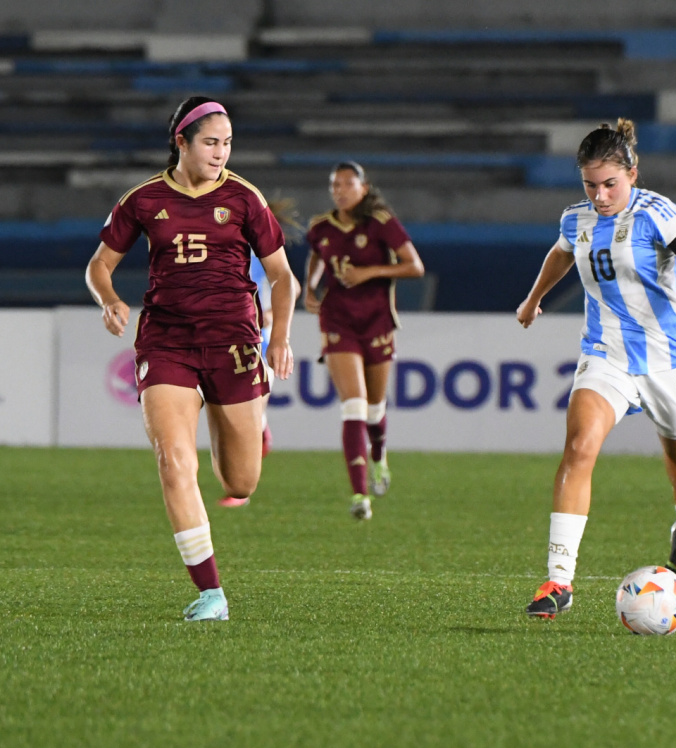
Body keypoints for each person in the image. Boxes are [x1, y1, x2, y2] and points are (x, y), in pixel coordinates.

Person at [516, 118, 676, 619]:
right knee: (579, 447)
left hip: (671, 361)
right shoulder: (575, 219)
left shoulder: (657, 214)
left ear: (632, 175)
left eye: (609, 184)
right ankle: (558, 581)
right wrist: (534, 298)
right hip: (607, 355)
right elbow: (561, 254)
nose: (599, 196)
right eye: (590, 185)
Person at [85, 96, 300, 621]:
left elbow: (282, 277)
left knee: (240, 482)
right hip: (167, 342)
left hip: (234, 344)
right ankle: (211, 593)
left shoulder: (245, 198)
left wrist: (279, 338)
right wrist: (109, 299)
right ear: (181, 142)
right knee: (174, 461)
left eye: (227, 143)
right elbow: (99, 265)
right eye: (210, 142)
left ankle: (238, 424)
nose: (220, 152)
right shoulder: (143, 199)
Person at [303, 161, 424, 521]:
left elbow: (415, 266)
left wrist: (369, 272)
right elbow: (317, 254)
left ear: (364, 187)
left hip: (377, 321)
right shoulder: (321, 227)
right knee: (353, 406)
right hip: (337, 320)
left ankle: (379, 455)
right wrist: (310, 287)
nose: (340, 191)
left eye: (347, 184)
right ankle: (359, 494)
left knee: (374, 409)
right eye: (335, 185)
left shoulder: (381, 222)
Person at [218, 253, 273, 507]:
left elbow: (291, 284)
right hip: (222, 342)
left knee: (244, 420)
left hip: (256, 347)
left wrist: (271, 313)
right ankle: (263, 432)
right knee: (232, 417)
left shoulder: (259, 253)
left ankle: (241, 491)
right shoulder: (218, 248)